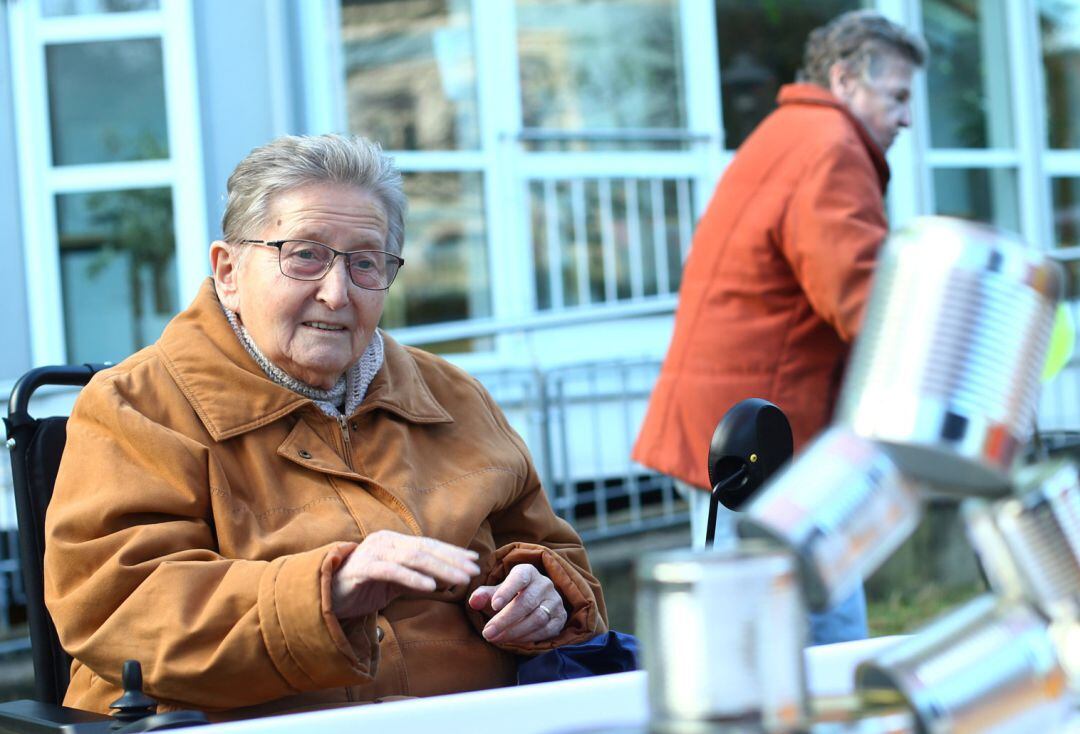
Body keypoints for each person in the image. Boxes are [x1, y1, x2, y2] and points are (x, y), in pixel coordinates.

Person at [44, 134, 607, 720]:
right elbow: (120, 608)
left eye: (365, 263)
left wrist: (541, 592)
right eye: (305, 255)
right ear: (228, 271)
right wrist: (327, 592)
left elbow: (565, 564)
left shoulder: (454, 396)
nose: (337, 294)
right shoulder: (135, 407)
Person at [633, 11, 926, 643]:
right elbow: (863, 298)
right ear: (845, 80)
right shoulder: (833, 148)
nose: (906, 118)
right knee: (803, 634)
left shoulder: (789, 130)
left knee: (763, 629)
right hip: (765, 437)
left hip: (737, 424)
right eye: (898, 96)